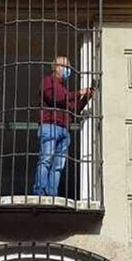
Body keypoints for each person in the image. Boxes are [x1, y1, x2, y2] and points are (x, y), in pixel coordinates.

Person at [34, 53, 93, 197]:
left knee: (58, 165)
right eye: (65, 66)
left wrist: (85, 98)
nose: (68, 69)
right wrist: (78, 92)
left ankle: (52, 193)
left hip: (63, 129)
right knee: (46, 159)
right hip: (50, 126)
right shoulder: (48, 81)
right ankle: (40, 192)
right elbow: (55, 98)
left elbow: (73, 109)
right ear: (56, 67)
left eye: (69, 66)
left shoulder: (64, 89)